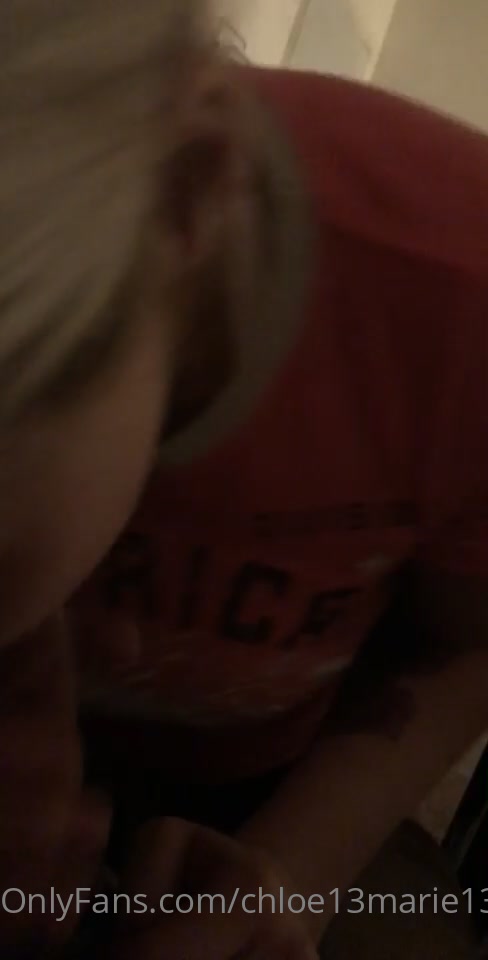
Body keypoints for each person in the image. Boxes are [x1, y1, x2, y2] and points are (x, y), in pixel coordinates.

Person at [1, 0, 488, 956]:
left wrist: (290, 876)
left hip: (276, 779)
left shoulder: (454, 295)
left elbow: (468, 640)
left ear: (190, 192)